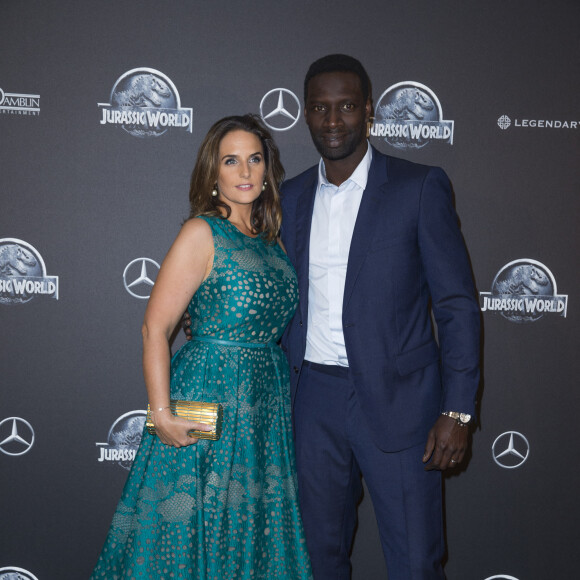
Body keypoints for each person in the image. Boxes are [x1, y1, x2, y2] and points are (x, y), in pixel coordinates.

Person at [279, 55, 481, 579]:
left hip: (402, 403)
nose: (332, 120)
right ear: (305, 114)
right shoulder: (290, 197)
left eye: (346, 106)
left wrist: (458, 410)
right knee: (317, 562)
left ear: (368, 110)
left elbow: (456, 305)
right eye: (320, 108)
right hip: (313, 404)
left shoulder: (419, 186)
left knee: (416, 562)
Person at [92, 115, 312, 579]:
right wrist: (162, 413)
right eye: (231, 161)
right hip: (207, 394)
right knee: (194, 529)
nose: (246, 172)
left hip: (263, 405)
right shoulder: (202, 233)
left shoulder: (273, 242)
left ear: (269, 169)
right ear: (213, 174)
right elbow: (156, 327)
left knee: (247, 531)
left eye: (255, 159)